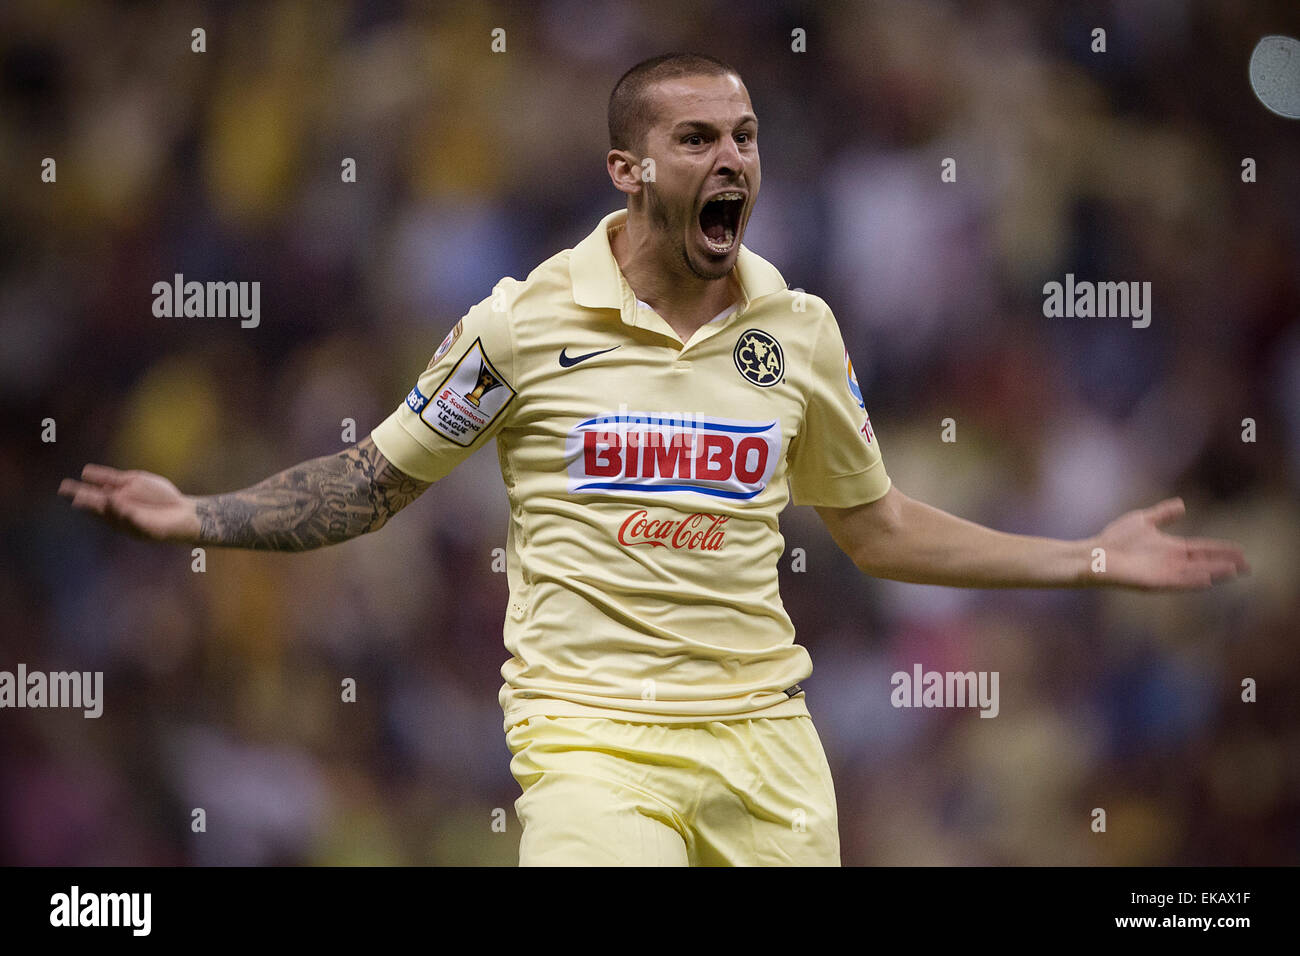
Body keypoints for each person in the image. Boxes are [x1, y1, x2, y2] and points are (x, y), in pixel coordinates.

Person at [58, 53, 1249, 866]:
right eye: (695, 139)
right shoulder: (519, 326)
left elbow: (876, 526)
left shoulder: (799, 332)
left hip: (770, 752)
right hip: (593, 748)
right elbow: (374, 479)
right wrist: (201, 517)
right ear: (628, 170)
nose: (731, 158)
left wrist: (1091, 555)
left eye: (744, 135)